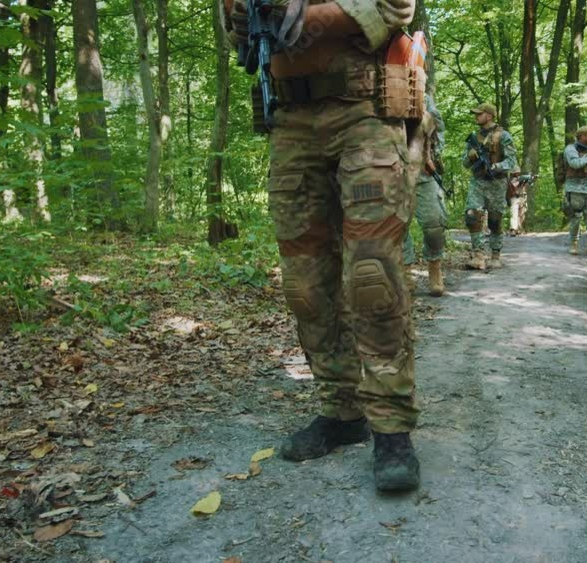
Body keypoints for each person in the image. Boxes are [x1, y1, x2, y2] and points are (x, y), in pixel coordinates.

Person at [223, 0, 423, 492]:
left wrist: (302, 15)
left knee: (372, 275)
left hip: (365, 112)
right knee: (304, 283)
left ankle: (391, 425)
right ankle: (341, 409)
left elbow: (396, 7)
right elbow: (240, 38)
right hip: (290, 118)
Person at [462, 103, 518, 270]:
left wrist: (495, 167)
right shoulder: (474, 137)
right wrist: (470, 157)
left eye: (479, 114)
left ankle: (495, 255)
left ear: (489, 116)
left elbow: (511, 161)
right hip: (478, 181)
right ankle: (478, 255)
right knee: (472, 215)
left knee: (495, 220)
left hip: (497, 182)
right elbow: (464, 164)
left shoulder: (504, 136)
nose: (476, 117)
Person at [402, 94, 448, 297]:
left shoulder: (421, 94)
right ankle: (405, 272)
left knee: (434, 224)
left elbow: (437, 130)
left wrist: (432, 156)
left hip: (422, 171)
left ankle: (435, 268)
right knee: (397, 226)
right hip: (393, 172)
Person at [562, 126, 587, 256]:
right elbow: (575, 164)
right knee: (576, 218)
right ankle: (573, 243)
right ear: (581, 136)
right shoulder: (570, 149)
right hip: (574, 189)